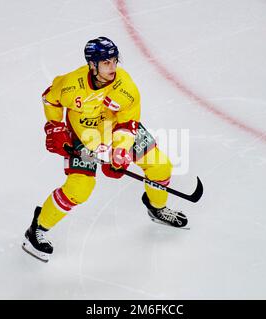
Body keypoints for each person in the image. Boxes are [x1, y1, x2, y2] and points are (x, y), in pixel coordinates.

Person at [22, 37, 187, 262]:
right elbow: (50, 99)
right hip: (82, 136)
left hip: (116, 132)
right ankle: (37, 228)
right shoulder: (71, 84)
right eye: (106, 62)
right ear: (92, 65)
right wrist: (55, 128)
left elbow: (127, 125)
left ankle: (157, 207)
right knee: (79, 189)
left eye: (115, 61)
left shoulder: (125, 87)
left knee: (160, 166)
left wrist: (119, 154)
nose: (113, 67)